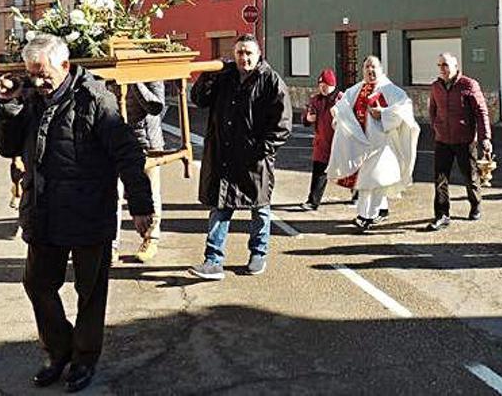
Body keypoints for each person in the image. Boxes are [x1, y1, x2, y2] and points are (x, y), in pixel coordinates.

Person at [0, 34, 153, 392]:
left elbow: (127, 154)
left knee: (90, 291)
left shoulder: (96, 98)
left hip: (88, 210)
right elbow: (6, 147)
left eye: (43, 74)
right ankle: (58, 349)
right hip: (44, 210)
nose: (37, 81)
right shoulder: (30, 98)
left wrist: (141, 206)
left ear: (65, 66)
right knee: (37, 284)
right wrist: (9, 105)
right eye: (31, 74)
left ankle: (84, 358)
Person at [188, 34, 292, 280]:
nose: (243, 58)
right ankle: (213, 261)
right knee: (220, 207)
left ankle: (258, 253)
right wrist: (208, 75)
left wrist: (262, 150)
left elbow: (282, 124)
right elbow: (199, 99)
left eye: (248, 53)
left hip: (254, 159)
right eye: (239, 53)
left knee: (260, 208)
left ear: (258, 55)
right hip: (223, 155)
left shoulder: (271, 81)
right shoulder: (225, 77)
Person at [328, 55, 420, 231]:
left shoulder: (391, 90)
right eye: (367, 67)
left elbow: (404, 108)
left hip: (383, 144)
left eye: (374, 67)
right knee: (365, 181)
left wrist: (384, 113)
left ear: (381, 69)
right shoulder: (355, 90)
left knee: (377, 180)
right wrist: (338, 115)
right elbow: (342, 108)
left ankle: (369, 215)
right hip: (362, 145)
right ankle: (371, 213)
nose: (370, 71)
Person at [426, 52, 492, 231]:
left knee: (470, 176)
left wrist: (485, 137)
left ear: (455, 67)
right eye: (439, 65)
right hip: (442, 140)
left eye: (446, 65)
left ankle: (475, 204)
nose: (442, 69)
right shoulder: (435, 86)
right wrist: (437, 126)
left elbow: (481, 112)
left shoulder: (468, 85)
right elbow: (432, 110)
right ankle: (442, 215)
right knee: (440, 178)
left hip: (465, 140)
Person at [112, 81, 166, 264]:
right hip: (114, 141)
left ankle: (151, 239)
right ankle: (111, 245)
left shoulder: (150, 70)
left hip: (146, 143)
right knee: (112, 194)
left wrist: (134, 80)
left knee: (151, 194)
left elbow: (155, 106)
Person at [300, 68, 342, 211]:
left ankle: (357, 194)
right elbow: (305, 118)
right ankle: (313, 201)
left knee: (351, 170)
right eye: (321, 85)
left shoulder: (341, 99)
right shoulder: (315, 100)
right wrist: (307, 118)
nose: (323, 88)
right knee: (319, 173)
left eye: (326, 86)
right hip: (322, 143)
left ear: (333, 85)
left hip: (340, 142)